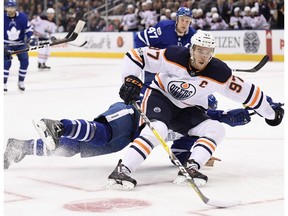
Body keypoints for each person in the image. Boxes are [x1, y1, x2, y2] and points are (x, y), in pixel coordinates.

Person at [104, 30, 284, 189]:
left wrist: (271, 114)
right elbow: (136, 55)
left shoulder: (219, 73)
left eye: (208, 52)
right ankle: (122, 171)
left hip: (188, 110)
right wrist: (130, 79)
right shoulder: (173, 55)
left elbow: (250, 93)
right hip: (160, 99)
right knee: (158, 128)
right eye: (200, 50)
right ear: (191, 49)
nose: (204, 56)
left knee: (216, 129)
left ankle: (191, 168)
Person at [4, 95, 255, 169]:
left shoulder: (189, 129)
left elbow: (177, 155)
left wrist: (197, 155)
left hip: (130, 139)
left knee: (72, 148)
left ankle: (20, 146)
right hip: (131, 113)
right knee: (101, 134)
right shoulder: (176, 104)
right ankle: (60, 125)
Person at [4, 0, 33, 92]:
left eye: (12, 7)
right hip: (6, 44)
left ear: (15, 8)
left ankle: (21, 82)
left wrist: (30, 38)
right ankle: (3, 83)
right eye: (8, 7)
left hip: (20, 44)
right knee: (6, 63)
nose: (9, 9)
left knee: (25, 62)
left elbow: (28, 30)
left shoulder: (22, 17)